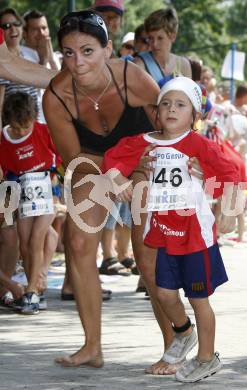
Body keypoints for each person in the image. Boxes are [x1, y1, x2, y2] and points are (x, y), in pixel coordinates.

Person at [102, 77, 240, 383]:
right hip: (163, 231)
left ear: (194, 115)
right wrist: (119, 180)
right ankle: (184, 332)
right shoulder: (145, 143)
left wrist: (229, 208)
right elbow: (113, 157)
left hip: (195, 235)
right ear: (156, 112)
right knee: (163, 293)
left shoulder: (198, 144)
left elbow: (230, 170)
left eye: (180, 104)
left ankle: (207, 358)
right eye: (165, 103)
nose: (171, 109)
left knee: (199, 299)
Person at [43, 10, 159, 367]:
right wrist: (111, 174)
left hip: (143, 155)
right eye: (68, 52)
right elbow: (75, 160)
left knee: (147, 254)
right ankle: (92, 346)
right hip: (90, 163)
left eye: (87, 51)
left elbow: (172, 125)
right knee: (78, 242)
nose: (77, 62)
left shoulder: (131, 77)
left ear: (108, 49)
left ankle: (176, 341)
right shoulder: (57, 96)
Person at [0, 92, 60, 314]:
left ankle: (32, 291)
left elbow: (60, 153)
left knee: (37, 238)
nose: (22, 132)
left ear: (34, 119)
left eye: (26, 127)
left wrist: (56, 174)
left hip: (46, 189)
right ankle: (34, 289)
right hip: (22, 193)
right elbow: (6, 169)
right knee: (24, 243)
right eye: (17, 128)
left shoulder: (43, 131)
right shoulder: (4, 139)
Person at [134, 8, 191, 85]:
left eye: (160, 38)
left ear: (173, 37)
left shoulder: (184, 65)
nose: (154, 44)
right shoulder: (139, 64)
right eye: (150, 38)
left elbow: (190, 95)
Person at [0, 8, 39, 120]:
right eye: (6, 26)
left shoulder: (32, 54)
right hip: (13, 128)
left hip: (33, 124)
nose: (13, 29)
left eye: (16, 24)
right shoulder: (2, 61)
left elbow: (37, 96)